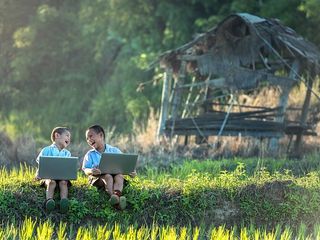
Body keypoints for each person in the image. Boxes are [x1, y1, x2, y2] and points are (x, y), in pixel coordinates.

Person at [82, 124, 136, 210]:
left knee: (119, 176)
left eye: (91, 136)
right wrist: (91, 171)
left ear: (101, 135)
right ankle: (113, 197)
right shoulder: (90, 154)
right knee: (108, 176)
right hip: (97, 178)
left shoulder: (114, 150)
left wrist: (131, 172)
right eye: (87, 138)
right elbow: (85, 169)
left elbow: (124, 163)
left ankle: (116, 196)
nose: (89, 140)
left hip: (114, 176)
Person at [35, 126, 72, 213]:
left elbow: (68, 167)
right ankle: (49, 201)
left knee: (63, 183)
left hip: (62, 176)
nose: (69, 139)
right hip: (48, 176)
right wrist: (38, 174)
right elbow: (41, 164)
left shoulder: (67, 153)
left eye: (69, 137)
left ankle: (64, 201)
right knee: (51, 182)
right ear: (57, 135)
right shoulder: (46, 150)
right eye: (67, 135)